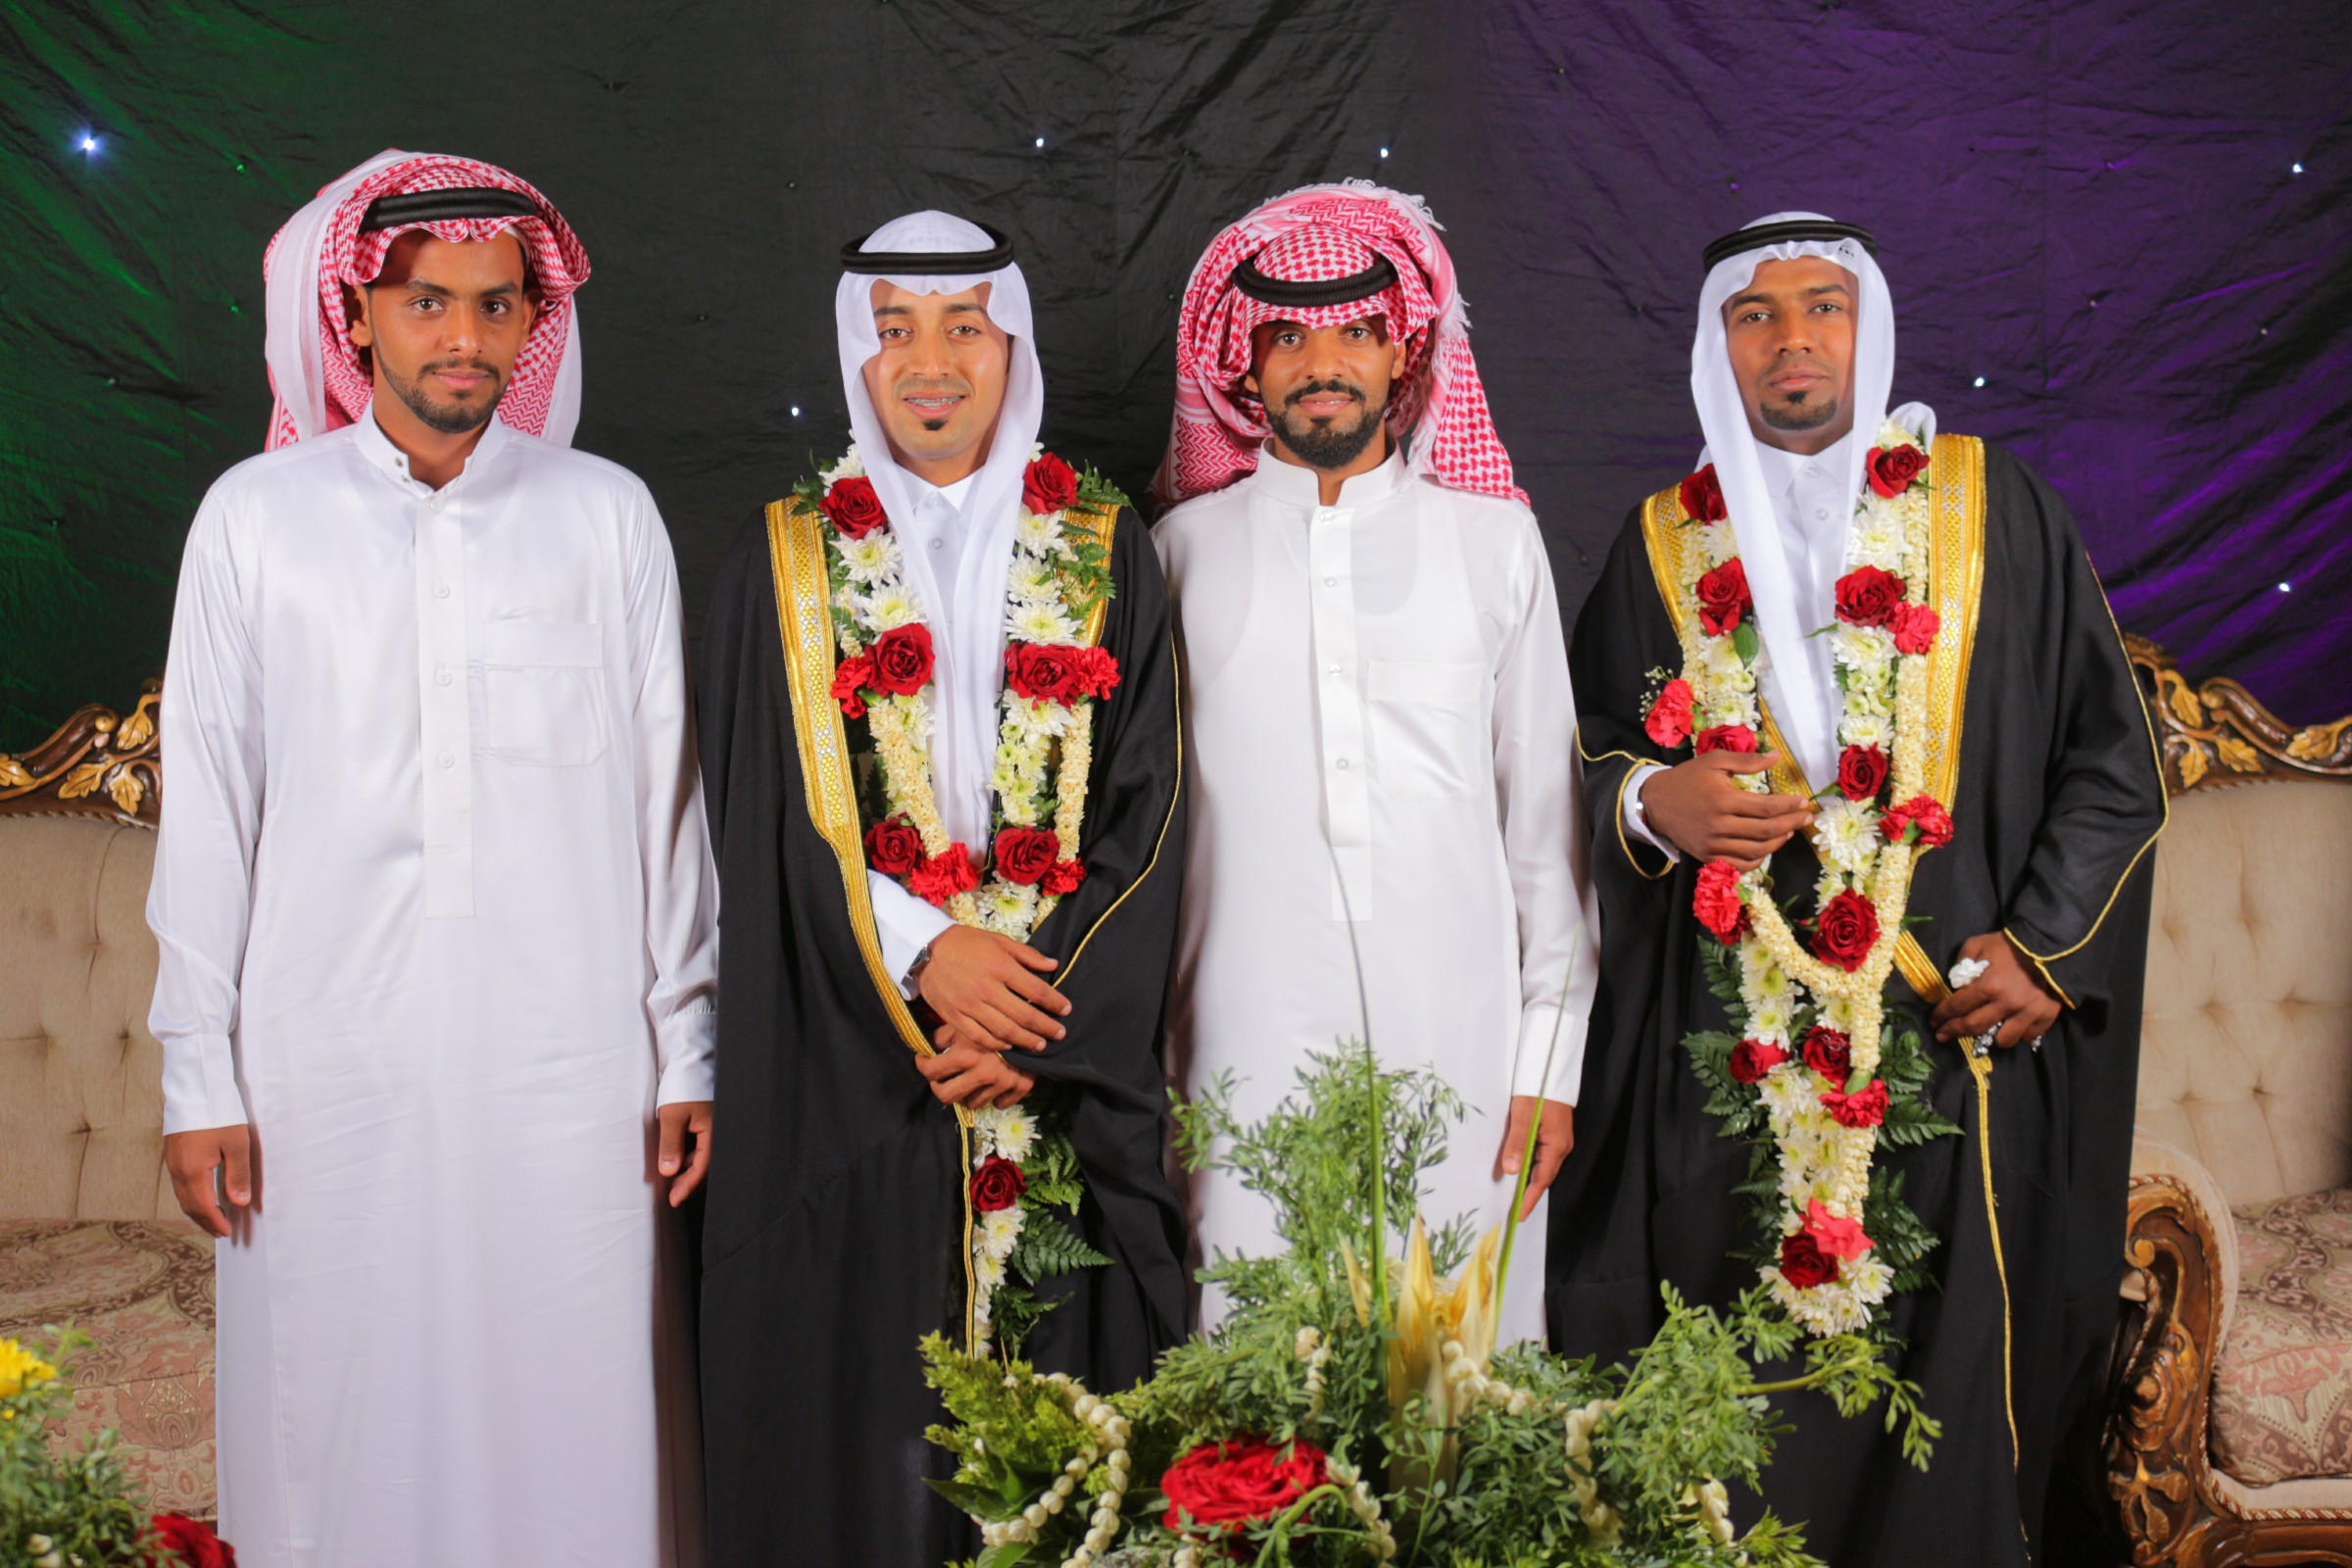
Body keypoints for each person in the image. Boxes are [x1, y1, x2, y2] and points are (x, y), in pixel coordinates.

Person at [1546, 212, 2167, 1563]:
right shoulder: (1660, 545)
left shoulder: (1995, 505)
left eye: (1822, 306)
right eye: (1756, 315)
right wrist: (1652, 800)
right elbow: (1574, 753)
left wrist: (2047, 948)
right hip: (1730, 1056)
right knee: (1734, 1382)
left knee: (1955, 1402)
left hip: (1956, 1037)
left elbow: (2111, 761)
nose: (1794, 339)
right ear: (1718, 346)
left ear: (1866, 326)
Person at [148, 151, 716, 1568]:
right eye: (425, 302)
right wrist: (199, 1075)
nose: (464, 336)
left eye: (494, 304)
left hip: (570, 1065)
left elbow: (668, 809)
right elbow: (210, 809)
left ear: (533, 321)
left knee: (573, 1402)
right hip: (323, 1065)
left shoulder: (606, 515)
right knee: (332, 1409)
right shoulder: (254, 519)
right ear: (355, 317)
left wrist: (686, 1048)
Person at [696, 212, 1188, 1568]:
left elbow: (1150, 809)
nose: (930, 363)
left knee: (1069, 1434)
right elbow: (757, 815)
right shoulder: (783, 558)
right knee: (864, 1427)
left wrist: (1031, 1009)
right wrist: (926, 953)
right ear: (857, 356)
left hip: (1051, 1049)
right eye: (896, 330)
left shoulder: (1106, 546)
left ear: (1009, 345)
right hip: (857, 1063)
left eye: (964, 327)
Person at [1152, 182, 1599, 1341]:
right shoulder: (1176, 554)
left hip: (1466, 1041)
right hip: (1236, 1040)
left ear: (1404, 353)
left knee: (1462, 1381)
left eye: (1355, 332)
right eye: (1288, 338)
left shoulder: (1495, 543)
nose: (1323, 365)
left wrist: (1550, 1062)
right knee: (1251, 1375)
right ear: (1245, 366)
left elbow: (1547, 833)